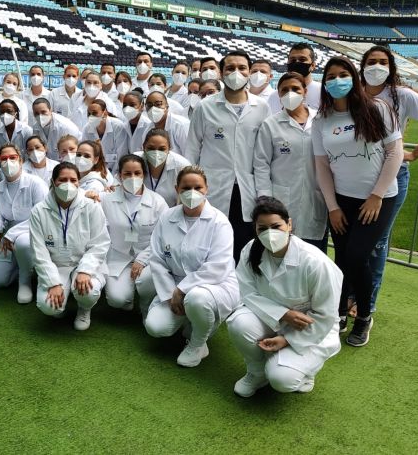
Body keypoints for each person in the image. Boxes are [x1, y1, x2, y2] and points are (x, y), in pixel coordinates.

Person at [312, 56, 402, 347]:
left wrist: (377, 195)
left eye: (343, 74)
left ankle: (363, 316)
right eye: (331, 77)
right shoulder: (321, 120)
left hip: (377, 199)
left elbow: (394, 154)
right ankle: (339, 313)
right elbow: (322, 166)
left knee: (357, 256)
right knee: (342, 259)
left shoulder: (378, 109)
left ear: (354, 77)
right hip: (341, 200)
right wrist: (333, 207)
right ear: (325, 84)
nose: (338, 81)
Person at [227, 197, 342, 397]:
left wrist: (287, 340)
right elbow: (246, 292)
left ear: (289, 224)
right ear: (255, 229)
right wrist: (283, 314)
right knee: (238, 323)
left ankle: (303, 372)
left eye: (276, 226)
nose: (270, 233)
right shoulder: (250, 250)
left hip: (312, 329)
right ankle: (256, 372)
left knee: (282, 379)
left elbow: (326, 315)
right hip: (273, 318)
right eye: (262, 228)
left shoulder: (315, 263)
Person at [361, 46, 418, 311]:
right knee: (354, 241)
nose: (377, 67)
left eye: (383, 62)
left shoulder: (402, 95)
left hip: (392, 176)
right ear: (362, 66)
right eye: (372, 61)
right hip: (356, 176)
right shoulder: (353, 94)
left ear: (391, 67)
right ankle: (350, 297)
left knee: (378, 242)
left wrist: (416, 153)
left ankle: (366, 305)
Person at [145, 166, 239, 367]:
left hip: (215, 285)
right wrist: (171, 294)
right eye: (186, 187)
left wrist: (182, 289)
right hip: (175, 285)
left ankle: (198, 344)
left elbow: (218, 266)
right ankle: (192, 321)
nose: (192, 192)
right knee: (155, 327)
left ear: (207, 189)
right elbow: (157, 259)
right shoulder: (167, 218)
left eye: (198, 187)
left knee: (197, 298)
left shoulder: (219, 222)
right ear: (177, 189)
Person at [186, 50, 270, 262]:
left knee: (244, 249)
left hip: (247, 189)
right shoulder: (205, 107)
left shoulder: (261, 107)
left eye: (242, 68)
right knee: (211, 246)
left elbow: (266, 153)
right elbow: (192, 150)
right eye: (230, 68)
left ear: (250, 72)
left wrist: (264, 192)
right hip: (214, 188)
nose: (236, 72)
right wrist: (190, 187)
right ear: (221, 74)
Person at [30, 162, 110, 330]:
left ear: (79, 183)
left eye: (73, 180)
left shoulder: (91, 206)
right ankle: (61, 304)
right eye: (62, 179)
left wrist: (85, 270)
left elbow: (100, 243)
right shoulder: (39, 210)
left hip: (84, 263)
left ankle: (84, 308)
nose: (68, 184)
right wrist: (52, 282)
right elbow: (39, 252)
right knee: (49, 307)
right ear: (52, 182)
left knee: (88, 291)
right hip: (58, 265)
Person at [253, 73, 328, 251]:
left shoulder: (321, 120)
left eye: (295, 89)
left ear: (305, 92)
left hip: (315, 197)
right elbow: (261, 164)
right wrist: (265, 200)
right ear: (278, 94)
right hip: (281, 198)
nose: (290, 93)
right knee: (279, 250)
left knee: (312, 255)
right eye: (284, 90)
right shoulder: (271, 125)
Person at [0, 144, 48, 303]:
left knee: (22, 242)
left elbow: (42, 217)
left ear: (21, 161)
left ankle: (25, 280)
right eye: (4, 159)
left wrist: (11, 235)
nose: (8, 162)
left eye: (12, 158)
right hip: (9, 239)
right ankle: (26, 265)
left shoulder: (36, 183)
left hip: (36, 233)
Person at [101, 154, 168, 314]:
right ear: (119, 176)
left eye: (137, 173)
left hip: (148, 256)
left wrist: (143, 259)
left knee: (149, 280)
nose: (133, 177)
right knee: (117, 300)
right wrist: (89, 194)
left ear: (144, 174)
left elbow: (163, 237)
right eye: (127, 174)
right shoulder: (106, 200)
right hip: (118, 256)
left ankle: (146, 305)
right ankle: (127, 296)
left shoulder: (158, 202)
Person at [136, 129, 190, 207]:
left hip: (171, 213)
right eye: (151, 148)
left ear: (169, 149)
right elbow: (118, 182)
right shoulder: (134, 162)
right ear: (143, 147)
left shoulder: (182, 166)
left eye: (161, 149)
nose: (156, 153)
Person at [131, 90, 189, 155]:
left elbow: (189, 153)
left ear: (167, 106)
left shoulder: (180, 125)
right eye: (149, 105)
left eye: (158, 104)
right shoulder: (148, 129)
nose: (153, 108)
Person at [80, 99, 129, 173]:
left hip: (116, 171)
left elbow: (121, 155)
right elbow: (85, 154)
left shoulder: (118, 126)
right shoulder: (87, 129)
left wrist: (113, 177)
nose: (91, 117)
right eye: (89, 114)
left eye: (94, 113)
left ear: (105, 113)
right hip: (95, 171)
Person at [270, 42, 321, 113]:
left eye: (302, 60)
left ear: (312, 66)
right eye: (293, 60)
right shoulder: (274, 96)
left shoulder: (323, 92)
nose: (297, 62)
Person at [0, 99, 33, 164]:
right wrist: (2, 174)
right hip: (4, 171)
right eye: (2, 112)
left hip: (24, 169)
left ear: (16, 113)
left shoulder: (27, 130)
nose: (5, 114)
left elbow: (30, 155)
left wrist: (22, 172)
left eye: (9, 111)